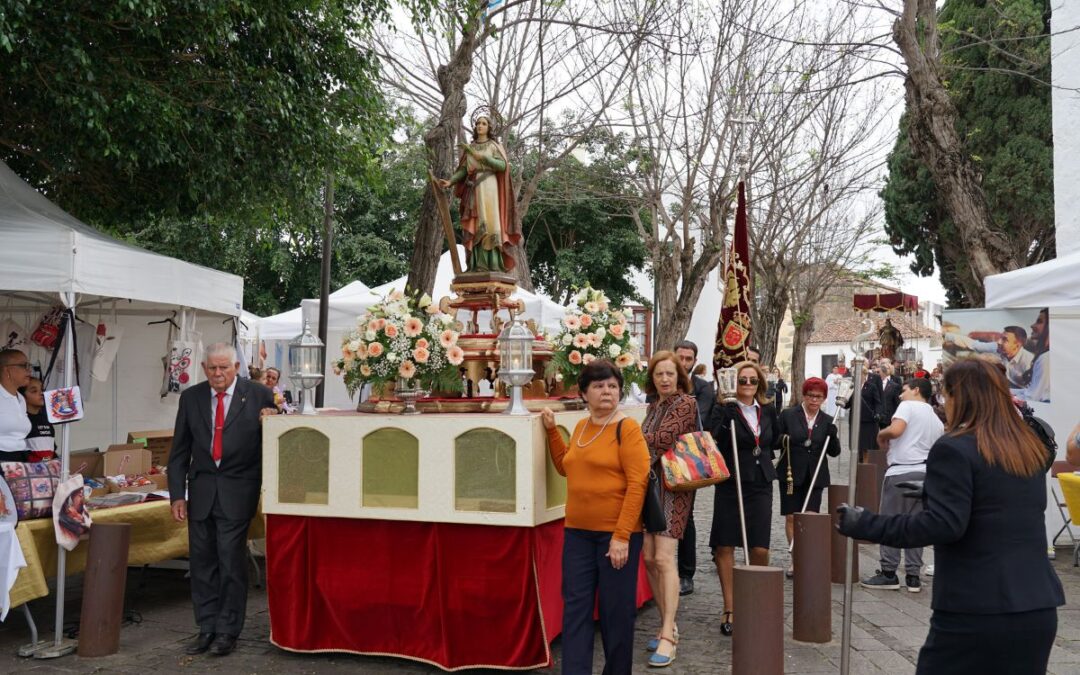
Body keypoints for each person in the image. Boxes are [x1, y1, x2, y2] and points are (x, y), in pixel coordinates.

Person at [837, 358, 1063, 673]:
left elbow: (944, 525)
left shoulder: (954, 449)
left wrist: (867, 524)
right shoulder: (1027, 447)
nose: (943, 403)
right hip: (1035, 604)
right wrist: (933, 491)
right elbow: (994, 501)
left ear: (960, 396)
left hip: (976, 606)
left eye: (945, 395)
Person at [168, 343, 277, 657]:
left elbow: (275, 437)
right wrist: (178, 495)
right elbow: (178, 453)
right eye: (212, 368)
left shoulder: (258, 395)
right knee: (202, 565)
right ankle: (206, 627)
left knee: (230, 562)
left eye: (223, 368)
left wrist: (273, 417)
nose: (217, 374)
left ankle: (228, 631)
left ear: (236, 368)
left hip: (238, 491)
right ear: (204, 369)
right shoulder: (191, 398)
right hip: (201, 491)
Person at [541, 360, 649, 674]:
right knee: (575, 610)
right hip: (577, 534)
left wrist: (621, 536)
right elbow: (565, 466)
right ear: (584, 392)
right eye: (599, 386)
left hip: (615, 536)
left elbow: (638, 482)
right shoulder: (581, 427)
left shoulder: (626, 428)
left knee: (616, 615)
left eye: (612, 386)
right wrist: (551, 432)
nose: (606, 392)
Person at [708, 360, 778, 637]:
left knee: (759, 547)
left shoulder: (769, 410)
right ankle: (731, 607)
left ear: (759, 383)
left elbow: (775, 439)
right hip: (731, 481)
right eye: (742, 380)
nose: (747, 385)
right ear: (733, 383)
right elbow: (716, 438)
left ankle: (756, 598)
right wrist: (726, 414)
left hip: (760, 481)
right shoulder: (723, 408)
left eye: (752, 380)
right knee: (725, 545)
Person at [639, 351, 697, 667]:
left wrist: (630, 435)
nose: (664, 379)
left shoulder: (685, 404)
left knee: (663, 558)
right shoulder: (652, 406)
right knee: (648, 558)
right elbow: (648, 443)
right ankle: (667, 623)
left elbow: (661, 439)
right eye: (659, 374)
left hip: (673, 487)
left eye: (669, 374)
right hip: (650, 487)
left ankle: (667, 636)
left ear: (679, 377)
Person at [859, 377, 944, 593]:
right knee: (916, 524)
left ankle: (889, 573)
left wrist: (881, 434)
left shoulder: (908, 406)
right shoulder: (935, 418)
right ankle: (913, 576)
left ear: (916, 390)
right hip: (926, 473)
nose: (900, 395)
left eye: (904, 390)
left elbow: (896, 430)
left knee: (891, 521)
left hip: (902, 470)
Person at [436, 111, 522, 273]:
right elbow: (463, 170)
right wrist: (450, 181)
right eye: (477, 123)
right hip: (474, 188)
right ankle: (477, 265)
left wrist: (481, 157)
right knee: (477, 224)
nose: (479, 126)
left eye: (483, 123)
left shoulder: (494, 146)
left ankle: (494, 264)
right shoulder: (472, 147)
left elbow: (503, 166)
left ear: (489, 127)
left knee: (491, 222)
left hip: (490, 187)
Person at [776, 377, 841, 570]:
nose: (814, 400)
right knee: (791, 517)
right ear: (804, 395)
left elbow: (834, 452)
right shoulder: (788, 415)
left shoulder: (828, 420)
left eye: (819, 397)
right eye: (810, 395)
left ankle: (807, 558)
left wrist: (833, 435)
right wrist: (788, 439)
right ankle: (796, 559)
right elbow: (775, 440)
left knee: (810, 516)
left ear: (824, 399)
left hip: (815, 476)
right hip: (790, 473)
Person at [671, 339, 715, 596]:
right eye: (681, 357)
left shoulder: (703, 388)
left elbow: (700, 420)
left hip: (687, 459)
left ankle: (686, 573)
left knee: (685, 517)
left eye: (689, 359)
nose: (684, 363)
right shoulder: (660, 382)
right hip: (659, 455)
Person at [0, 349, 31, 464]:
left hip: (19, 458)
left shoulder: (21, 399)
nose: (29, 370)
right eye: (24, 365)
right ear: (7, 370)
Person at [1014, 308, 1049, 403]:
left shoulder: (1045, 359)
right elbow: (1030, 392)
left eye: (1039, 321)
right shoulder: (1044, 356)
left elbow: (1033, 398)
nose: (1032, 325)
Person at [21, 377, 55, 461]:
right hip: (30, 470)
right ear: (23, 397)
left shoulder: (47, 420)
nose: (41, 393)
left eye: (42, 389)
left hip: (49, 470)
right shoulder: (21, 421)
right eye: (34, 391)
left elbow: (52, 449)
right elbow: (20, 452)